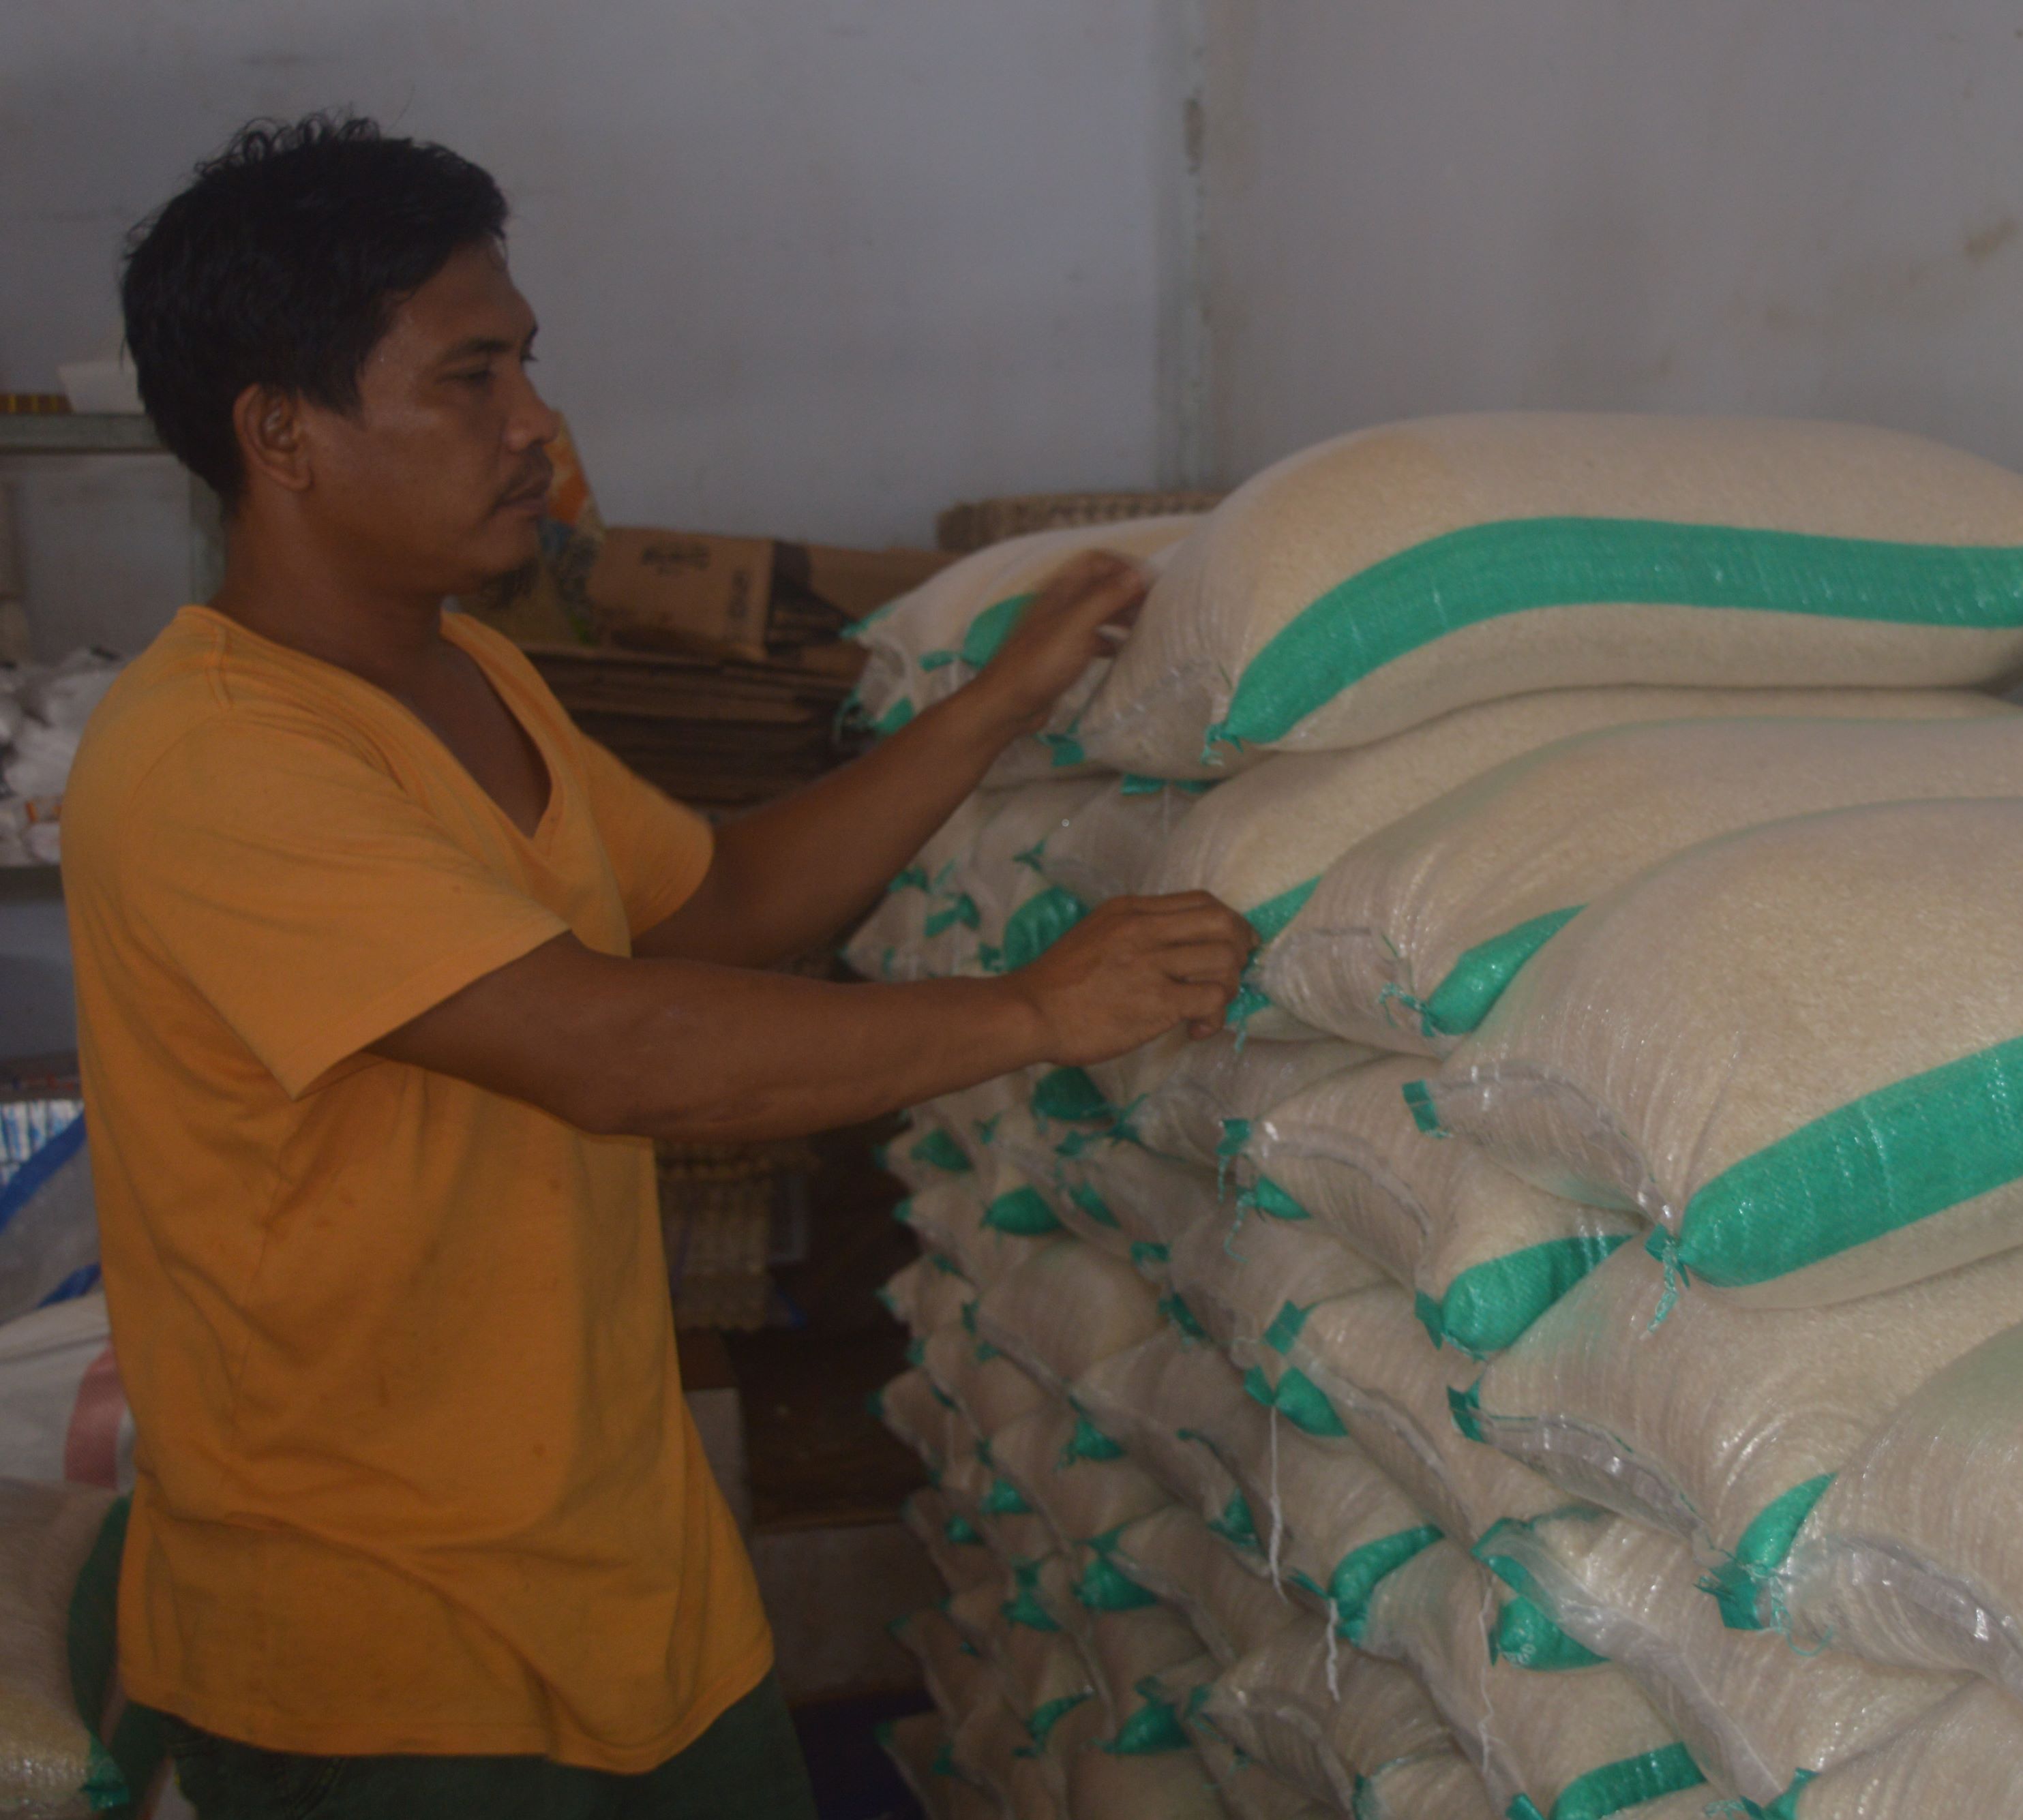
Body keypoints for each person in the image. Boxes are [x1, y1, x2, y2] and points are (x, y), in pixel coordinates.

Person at [61, 115, 1252, 1818]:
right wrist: (1034, 1010)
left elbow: (723, 901)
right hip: (384, 1654)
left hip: (618, 1577)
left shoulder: (473, 683)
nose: (537, 422)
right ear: (283, 436)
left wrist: (1001, 703)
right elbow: (611, 1048)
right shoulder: (215, 764)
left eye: (527, 365)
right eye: (468, 378)